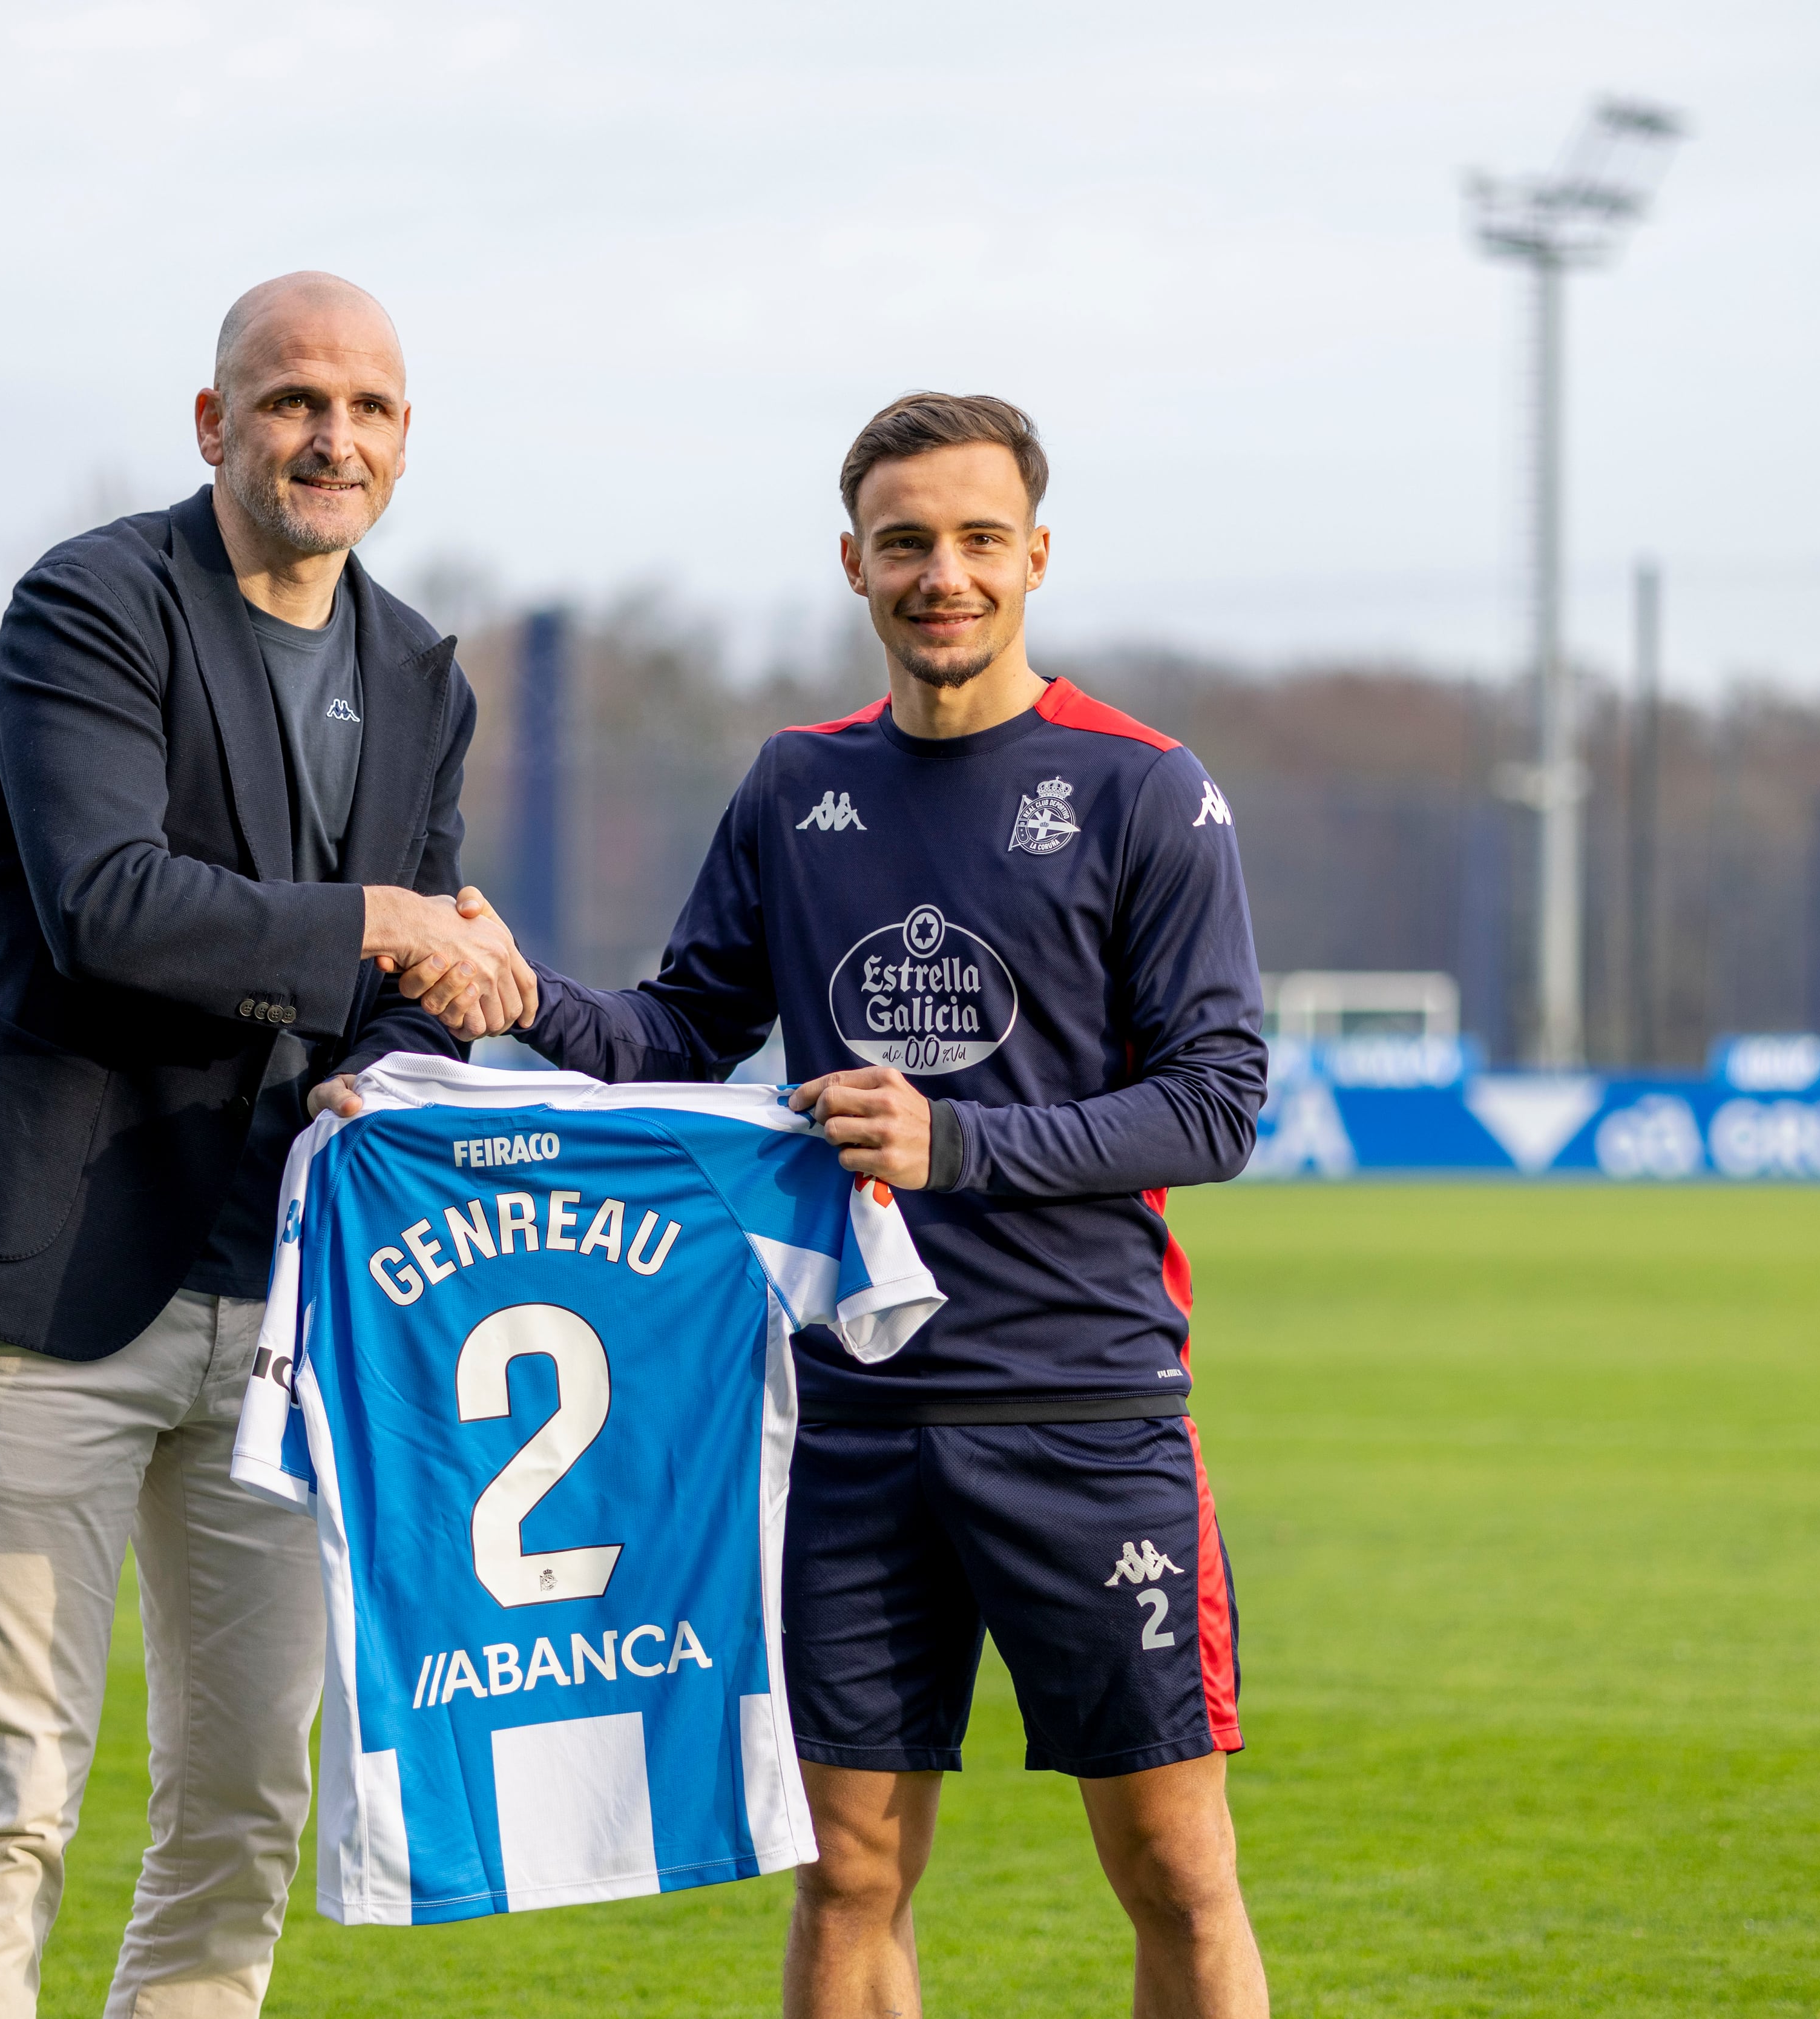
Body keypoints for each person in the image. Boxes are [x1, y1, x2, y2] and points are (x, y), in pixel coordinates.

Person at [400, 393, 1272, 2017]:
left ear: (1036, 556)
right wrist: (519, 987)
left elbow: (1218, 1102)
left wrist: (962, 1146)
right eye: (907, 544)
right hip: (849, 1413)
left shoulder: (1147, 790)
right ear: (855, 566)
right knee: (850, 1871)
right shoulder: (799, 789)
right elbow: (676, 1030)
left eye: (977, 541)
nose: (944, 573)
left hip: (1082, 1403)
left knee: (1173, 1867)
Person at [0, 271, 533, 2019]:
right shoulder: (89, 607)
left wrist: (440, 1013)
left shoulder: (419, 670)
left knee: (245, 1809)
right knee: (9, 1801)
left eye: (371, 408)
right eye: (294, 399)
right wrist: (395, 920)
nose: (333, 437)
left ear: (405, 439)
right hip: (53, 1285)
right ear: (212, 422)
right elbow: (106, 907)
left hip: (293, 1322)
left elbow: (376, 988)